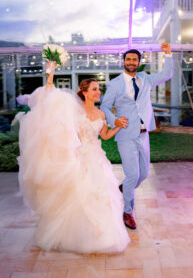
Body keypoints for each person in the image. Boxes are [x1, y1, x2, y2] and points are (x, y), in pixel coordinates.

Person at [17, 62, 130, 253]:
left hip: (98, 159)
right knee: (80, 195)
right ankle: (79, 236)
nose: (98, 92)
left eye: (98, 89)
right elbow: (51, 96)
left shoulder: (101, 113)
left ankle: (104, 236)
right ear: (84, 91)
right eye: (94, 89)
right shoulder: (74, 111)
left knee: (103, 196)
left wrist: (118, 125)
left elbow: (105, 136)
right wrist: (50, 74)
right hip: (79, 158)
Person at [101, 43, 174, 229]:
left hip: (143, 134)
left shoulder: (145, 78)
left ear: (139, 62)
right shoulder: (115, 84)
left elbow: (166, 74)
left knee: (144, 173)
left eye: (134, 59)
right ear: (123, 62)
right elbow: (105, 107)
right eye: (128, 59)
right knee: (133, 173)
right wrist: (114, 120)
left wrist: (168, 54)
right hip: (125, 135)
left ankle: (126, 187)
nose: (131, 62)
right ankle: (127, 212)